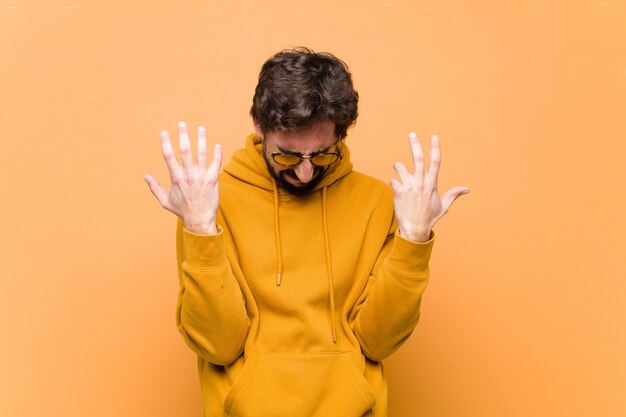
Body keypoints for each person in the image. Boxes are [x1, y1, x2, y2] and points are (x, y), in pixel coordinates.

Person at [144, 47, 468, 417]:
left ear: (340, 135)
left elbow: (377, 343)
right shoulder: (207, 201)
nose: (305, 172)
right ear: (258, 124)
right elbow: (218, 345)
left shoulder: (378, 202)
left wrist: (413, 239)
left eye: (322, 154)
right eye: (287, 155)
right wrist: (200, 227)